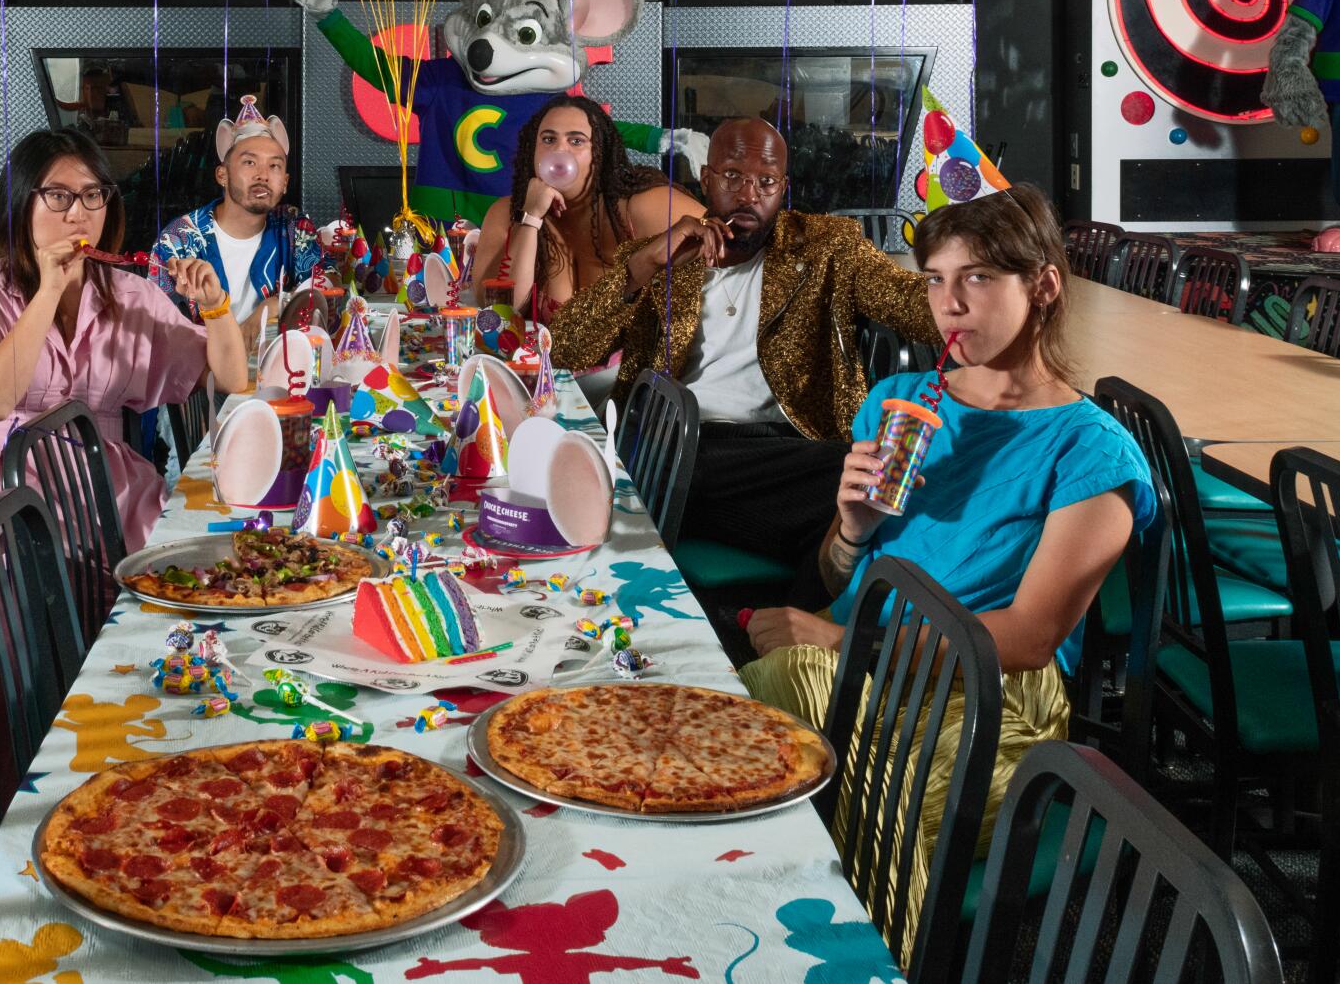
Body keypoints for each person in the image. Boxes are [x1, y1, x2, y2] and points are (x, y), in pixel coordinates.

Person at [738, 182, 1156, 960]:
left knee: (789, 726)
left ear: (1044, 286)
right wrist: (852, 531)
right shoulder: (898, 400)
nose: (949, 303)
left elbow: (1030, 636)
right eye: (935, 278)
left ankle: (872, 957)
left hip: (991, 699)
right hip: (860, 665)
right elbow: (838, 575)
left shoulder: (1091, 450)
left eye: (978, 278)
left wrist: (840, 644)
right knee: (754, 743)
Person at [551, 118, 938, 602]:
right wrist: (647, 264)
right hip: (674, 447)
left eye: (767, 181)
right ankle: (800, 634)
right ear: (706, 179)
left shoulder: (826, 248)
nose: (749, 193)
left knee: (862, 500)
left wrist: (979, 281)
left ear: (784, 188)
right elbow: (564, 349)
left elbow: (916, 306)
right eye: (733, 176)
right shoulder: (660, 257)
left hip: (782, 452)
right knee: (846, 488)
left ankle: (784, 637)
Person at [0, 128, 250, 547]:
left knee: (177, 583)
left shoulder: (131, 293)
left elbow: (230, 378)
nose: (77, 213)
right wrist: (48, 291)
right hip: (10, 499)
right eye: (59, 196)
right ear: (19, 203)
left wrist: (216, 306)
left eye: (92, 195)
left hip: (114, 492)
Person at [470, 95, 703, 320]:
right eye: (549, 139)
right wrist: (530, 218)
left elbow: (726, 249)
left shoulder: (641, 206)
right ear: (533, 150)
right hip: (541, 360)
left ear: (599, 153)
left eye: (576, 141)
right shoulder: (507, 212)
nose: (559, 151)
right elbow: (496, 312)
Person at [149, 94, 321, 335]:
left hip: (278, 368)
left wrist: (273, 305)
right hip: (198, 367)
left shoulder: (294, 227)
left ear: (284, 183)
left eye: (274, 166)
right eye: (249, 163)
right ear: (223, 175)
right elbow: (157, 327)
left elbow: (326, 288)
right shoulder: (179, 240)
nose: (263, 175)